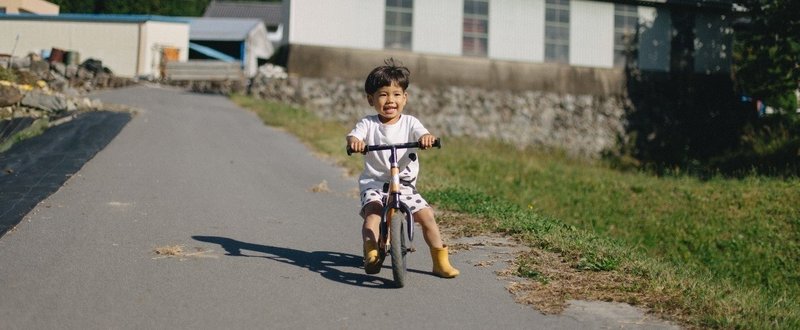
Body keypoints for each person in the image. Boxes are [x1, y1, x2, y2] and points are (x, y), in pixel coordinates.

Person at [346, 59, 459, 278]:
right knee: (372, 216)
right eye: (383, 94)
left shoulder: (410, 123)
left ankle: (439, 260)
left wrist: (426, 138)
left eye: (396, 94)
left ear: (405, 98)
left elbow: (422, 133)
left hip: (404, 185)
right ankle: (371, 252)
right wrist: (354, 142)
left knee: (427, 216)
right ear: (371, 99)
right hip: (376, 183)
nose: (390, 100)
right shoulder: (368, 124)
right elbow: (354, 135)